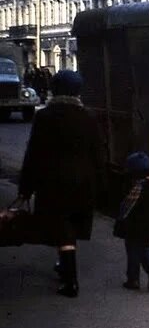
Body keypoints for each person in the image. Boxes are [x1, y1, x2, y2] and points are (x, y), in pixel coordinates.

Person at [17, 70, 106, 297]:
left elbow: (33, 154)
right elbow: (98, 154)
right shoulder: (89, 117)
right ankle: (63, 264)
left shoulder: (45, 117)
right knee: (71, 226)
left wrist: (25, 188)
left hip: (53, 183)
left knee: (62, 227)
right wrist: (100, 183)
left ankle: (70, 281)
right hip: (83, 182)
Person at [113, 151, 149, 291]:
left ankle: (133, 279)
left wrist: (120, 221)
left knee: (132, 250)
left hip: (135, 226)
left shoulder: (137, 187)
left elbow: (127, 207)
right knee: (144, 248)